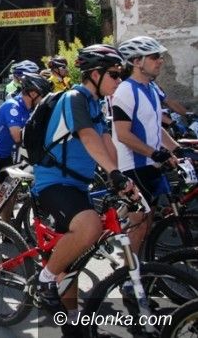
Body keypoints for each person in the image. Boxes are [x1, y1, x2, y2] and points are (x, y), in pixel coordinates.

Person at [31, 45, 136, 333]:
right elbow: (88, 137)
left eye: (121, 75)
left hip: (77, 183)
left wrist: (121, 179)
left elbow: (106, 142)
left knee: (74, 256)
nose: (119, 80)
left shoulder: (96, 104)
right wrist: (113, 174)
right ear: (95, 74)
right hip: (53, 181)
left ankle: (72, 316)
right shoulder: (74, 98)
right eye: (114, 74)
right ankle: (44, 280)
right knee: (89, 227)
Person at [0, 73, 51, 260]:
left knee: (10, 194)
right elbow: (18, 136)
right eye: (42, 95)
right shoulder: (13, 106)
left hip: (6, 155)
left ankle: (7, 231)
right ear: (32, 93)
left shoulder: (29, 108)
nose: (43, 99)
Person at [113, 36, 182, 255]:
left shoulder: (150, 88)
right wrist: (155, 153)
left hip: (150, 163)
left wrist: (176, 148)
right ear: (136, 61)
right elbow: (123, 134)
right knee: (140, 224)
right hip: (133, 165)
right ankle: (129, 272)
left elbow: (155, 127)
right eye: (154, 57)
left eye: (159, 56)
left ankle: (136, 263)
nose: (160, 60)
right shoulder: (125, 90)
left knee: (148, 220)